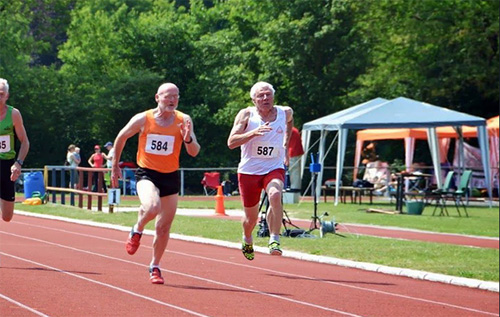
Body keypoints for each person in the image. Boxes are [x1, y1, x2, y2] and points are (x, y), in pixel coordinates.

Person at [111, 82, 200, 284]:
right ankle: (137, 229)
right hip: (147, 173)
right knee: (152, 206)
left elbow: (194, 151)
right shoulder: (144, 118)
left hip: (170, 175)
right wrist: (115, 165)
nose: (172, 100)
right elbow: (121, 136)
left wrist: (187, 139)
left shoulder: (183, 120)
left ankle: (155, 266)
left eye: (175, 96)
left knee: (163, 227)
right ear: (157, 98)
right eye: (168, 96)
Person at [227, 81, 293, 260]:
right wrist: (253, 133)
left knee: (275, 195)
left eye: (268, 95)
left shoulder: (285, 112)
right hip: (249, 171)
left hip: (274, 167)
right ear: (253, 99)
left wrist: (285, 145)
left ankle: (274, 239)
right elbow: (231, 142)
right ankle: (247, 238)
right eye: (260, 96)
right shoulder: (246, 115)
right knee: (251, 219)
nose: (265, 98)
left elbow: (289, 122)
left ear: (273, 96)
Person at [0, 78, 30, 222]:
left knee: (7, 217)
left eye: (1, 94)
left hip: (7, 164)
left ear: (7, 96)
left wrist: (18, 163)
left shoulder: (14, 114)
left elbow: (25, 142)